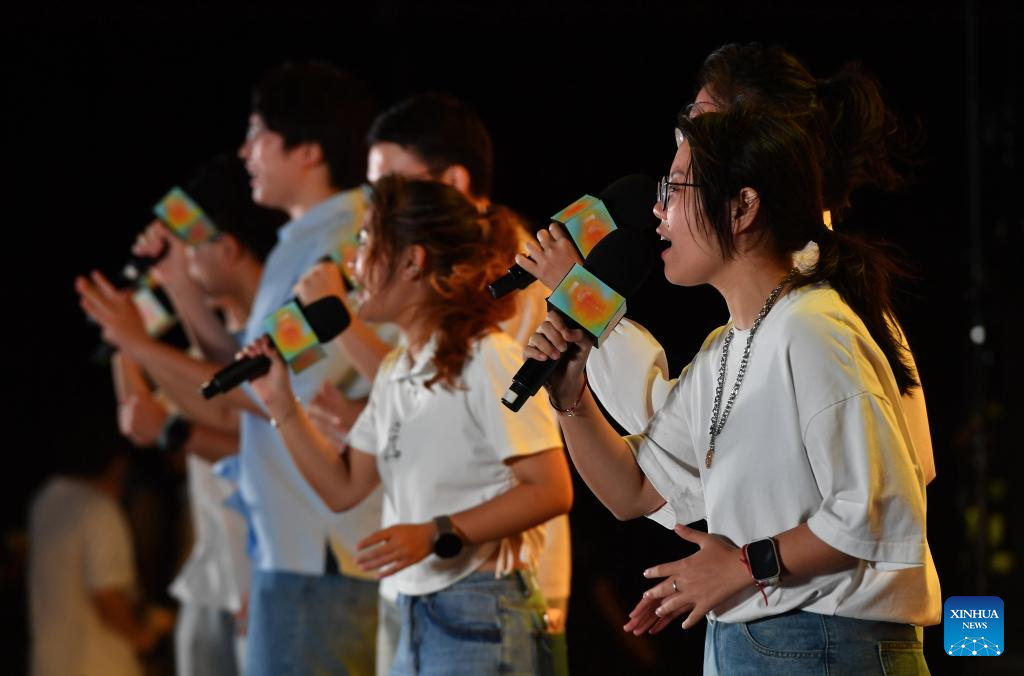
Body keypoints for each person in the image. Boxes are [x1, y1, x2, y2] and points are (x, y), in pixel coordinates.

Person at [525, 104, 940, 674]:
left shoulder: (813, 326)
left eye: (673, 189)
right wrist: (571, 398)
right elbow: (634, 490)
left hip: (826, 645)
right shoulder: (726, 346)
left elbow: (875, 509)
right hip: (757, 643)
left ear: (743, 206)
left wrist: (741, 566)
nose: (656, 211)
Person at [515, 43, 935, 485]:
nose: (686, 142)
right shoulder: (746, 325)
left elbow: (887, 492)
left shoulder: (820, 315)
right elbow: (667, 458)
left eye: (700, 123)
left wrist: (583, 296)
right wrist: (570, 395)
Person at [241, 175, 573, 675]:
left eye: (366, 241)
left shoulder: (489, 356)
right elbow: (343, 487)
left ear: (412, 261)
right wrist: (280, 402)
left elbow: (551, 489)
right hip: (414, 612)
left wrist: (440, 532)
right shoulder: (398, 369)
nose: (351, 263)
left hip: (482, 612)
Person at [128, 62, 380, 675]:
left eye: (258, 134)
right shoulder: (303, 239)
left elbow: (270, 394)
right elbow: (245, 365)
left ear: (309, 151)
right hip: (290, 549)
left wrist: (133, 340)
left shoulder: (341, 242)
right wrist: (171, 291)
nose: (246, 152)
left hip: (321, 552)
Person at [78, 154, 286, 676]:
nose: (187, 264)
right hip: (213, 571)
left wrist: (138, 339)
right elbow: (151, 414)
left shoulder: (275, 330)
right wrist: (128, 333)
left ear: (229, 245)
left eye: (191, 247)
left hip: (262, 569)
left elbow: (234, 421)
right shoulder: (218, 339)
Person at [28, 438, 174, 676]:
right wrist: (144, 637)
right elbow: (106, 596)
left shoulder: (46, 499)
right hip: (96, 666)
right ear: (119, 466)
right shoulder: (100, 511)